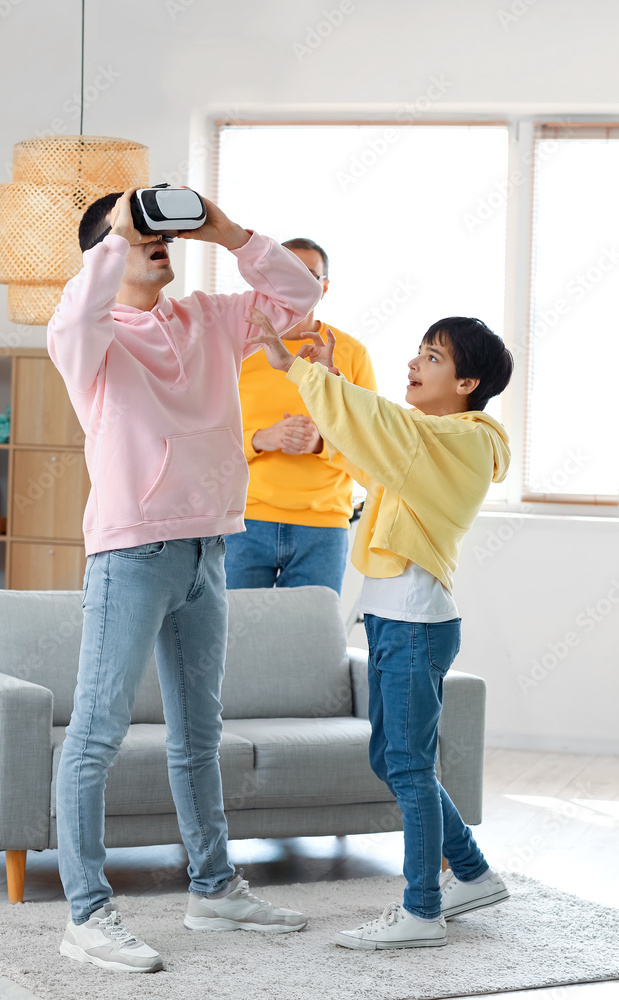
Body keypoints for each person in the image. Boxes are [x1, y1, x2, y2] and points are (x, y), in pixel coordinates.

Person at [47, 189, 322, 973]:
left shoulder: (205, 317)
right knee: (95, 736)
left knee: (198, 736)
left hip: (208, 549)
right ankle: (88, 914)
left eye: (159, 233)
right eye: (137, 235)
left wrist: (225, 230)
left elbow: (297, 297)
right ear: (103, 254)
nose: (155, 241)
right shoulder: (91, 339)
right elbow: (70, 317)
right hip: (131, 555)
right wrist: (116, 234)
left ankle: (213, 888)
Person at [242, 307, 513, 951]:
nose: (414, 364)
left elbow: (385, 428)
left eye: (433, 357)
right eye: (418, 352)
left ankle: (421, 911)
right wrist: (331, 393)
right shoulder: (427, 441)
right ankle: (471, 872)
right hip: (394, 622)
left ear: (468, 383)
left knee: (410, 766)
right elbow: (372, 455)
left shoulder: (463, 441)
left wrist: (304, 371)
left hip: (416, 624)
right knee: (390, 759)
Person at [224, 238, 376, 596]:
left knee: (309, 644)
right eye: (287, 273)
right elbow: (205, 436)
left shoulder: (350, 353)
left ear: (323, 287)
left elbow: (372, 443)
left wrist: (321, 443)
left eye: (308, 276)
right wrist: (260, 439)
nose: (298, 284)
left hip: (322, 526)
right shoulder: (237, 349)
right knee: (233, 642)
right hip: (244, 520)